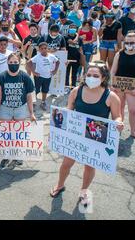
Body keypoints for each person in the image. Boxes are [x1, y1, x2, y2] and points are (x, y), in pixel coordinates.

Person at [50, 63, 124, 206]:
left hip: (95, 137)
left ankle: (84, 191)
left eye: (96, 76)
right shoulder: (76, 91)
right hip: (76, 135)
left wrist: (119, 123)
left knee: (89, 167)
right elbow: (68, 111)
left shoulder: (111, 96)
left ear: (103, 78)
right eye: (88, 75)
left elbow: (117, 116)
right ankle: (60, 185)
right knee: (66, 163)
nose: (91, 78)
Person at [0, 53, 36, 168]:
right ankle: (6, 155)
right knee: (6, 133)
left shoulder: (25, 77)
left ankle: (17, 155)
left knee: (18, 134)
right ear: (7, 63)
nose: (13, 64)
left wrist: (31, 113)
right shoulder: (1, 77)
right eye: (11, 62)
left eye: (16, 62)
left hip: (20, 108)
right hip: (6, 109)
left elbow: (29, 97)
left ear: (19, 63)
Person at [110, 33, 135, 141]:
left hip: (134, 88)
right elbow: (113, 71)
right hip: (118, 86)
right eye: (126, 42)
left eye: (131, 42)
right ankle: (118, 130)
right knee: (119, 109)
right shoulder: (119, 54)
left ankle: (133, 131)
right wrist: (112, 84)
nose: (129, 45)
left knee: (133, 110)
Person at [26, 42, 60, 110]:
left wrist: (55, 70)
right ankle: (34, 103)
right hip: (39, 77)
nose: (44, 50)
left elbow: (58, 62)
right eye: (42, 49)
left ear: (47, 48)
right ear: (39, 49)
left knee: (45, 90)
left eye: (45, 48)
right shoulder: (37, 56)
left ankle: (43, 102)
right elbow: (28, 62)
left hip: (48, 76)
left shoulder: (51, 56)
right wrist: (34, 72)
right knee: (36, 90)